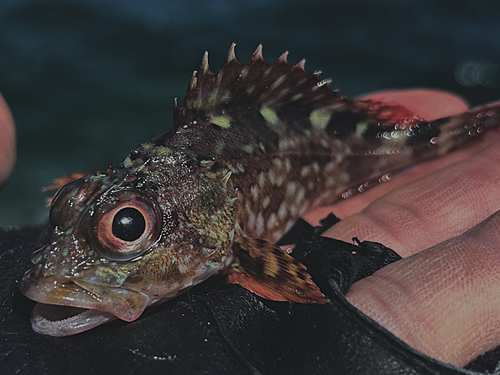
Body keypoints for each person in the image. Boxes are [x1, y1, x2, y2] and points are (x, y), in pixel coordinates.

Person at [0, 90, 499, 368]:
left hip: (358, 144)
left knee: (462, 133)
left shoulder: (237, 248)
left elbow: (287, 279)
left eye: (127, 228)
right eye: (72, 206)